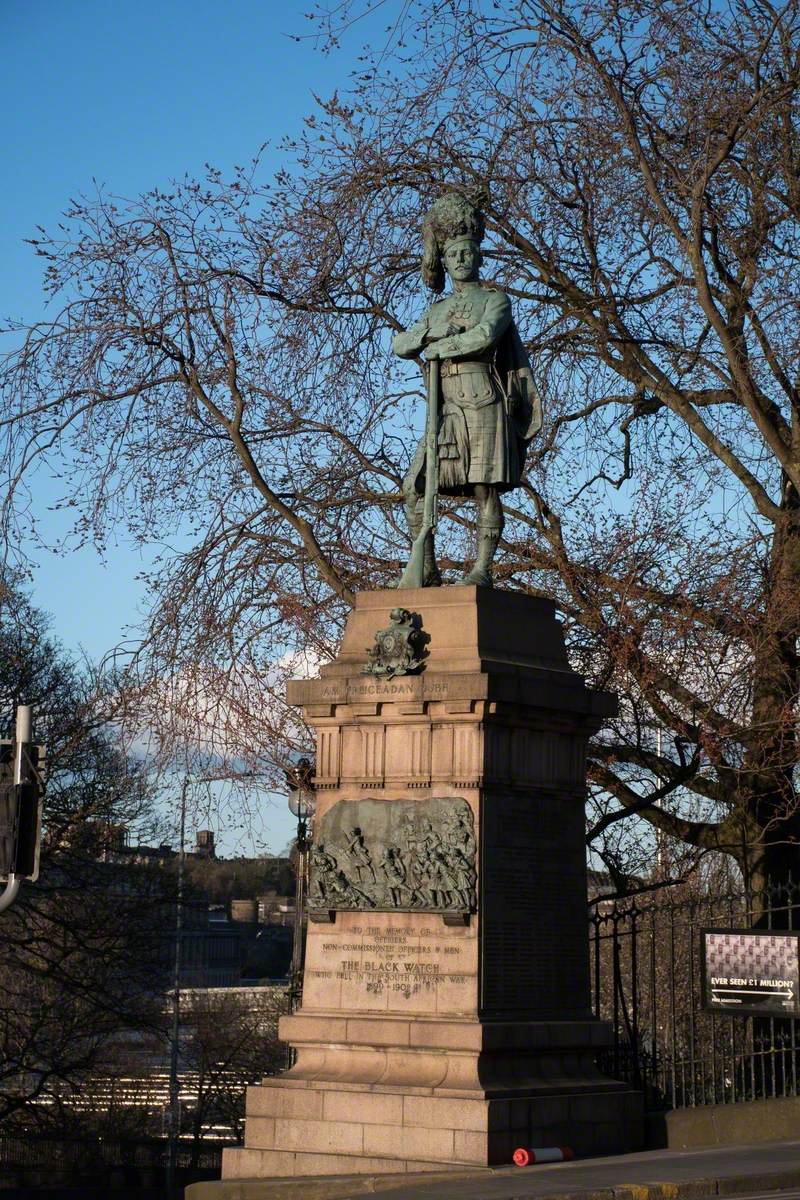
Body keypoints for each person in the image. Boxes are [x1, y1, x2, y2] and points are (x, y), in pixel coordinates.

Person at [393, 193, 543, 586]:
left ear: (478, 256)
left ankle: (481, 571)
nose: (460, 259)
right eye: (453, 254)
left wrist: (442, 347)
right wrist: (430, 332)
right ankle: (426, 568)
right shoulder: (437, 310)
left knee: (485, 488)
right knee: (415, 486)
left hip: (482, 400)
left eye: (467, 252)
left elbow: (485, 336)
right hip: (443, 406)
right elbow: (400, 345)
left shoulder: (496, 300)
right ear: (443, 260)